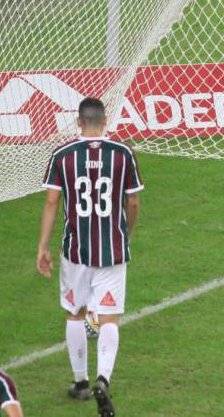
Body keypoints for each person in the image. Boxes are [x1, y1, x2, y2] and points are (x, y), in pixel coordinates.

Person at [38, 97, 143, 417]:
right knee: (109, 317)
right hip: (112, 248)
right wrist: (127, 234)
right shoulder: (123, 154)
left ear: (79, 122)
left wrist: (43, 245)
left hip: (75, 250)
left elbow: (53, 202)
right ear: (105, 120)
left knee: (76, 312)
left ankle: (81, 382)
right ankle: (103, 378)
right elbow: (134, 204)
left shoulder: (62, 155)